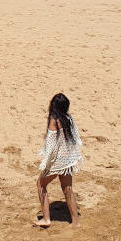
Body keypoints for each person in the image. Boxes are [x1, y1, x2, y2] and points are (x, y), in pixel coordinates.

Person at [34, 93, 83, 228]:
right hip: (68, 160)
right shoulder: (69, 119)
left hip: (58, 161)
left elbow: (51, 146)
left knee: (41, 184)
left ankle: (46, 219)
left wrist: (46, 163)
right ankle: (75, 221)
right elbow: (75, 138)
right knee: (67, 188)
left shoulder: (54, 120)